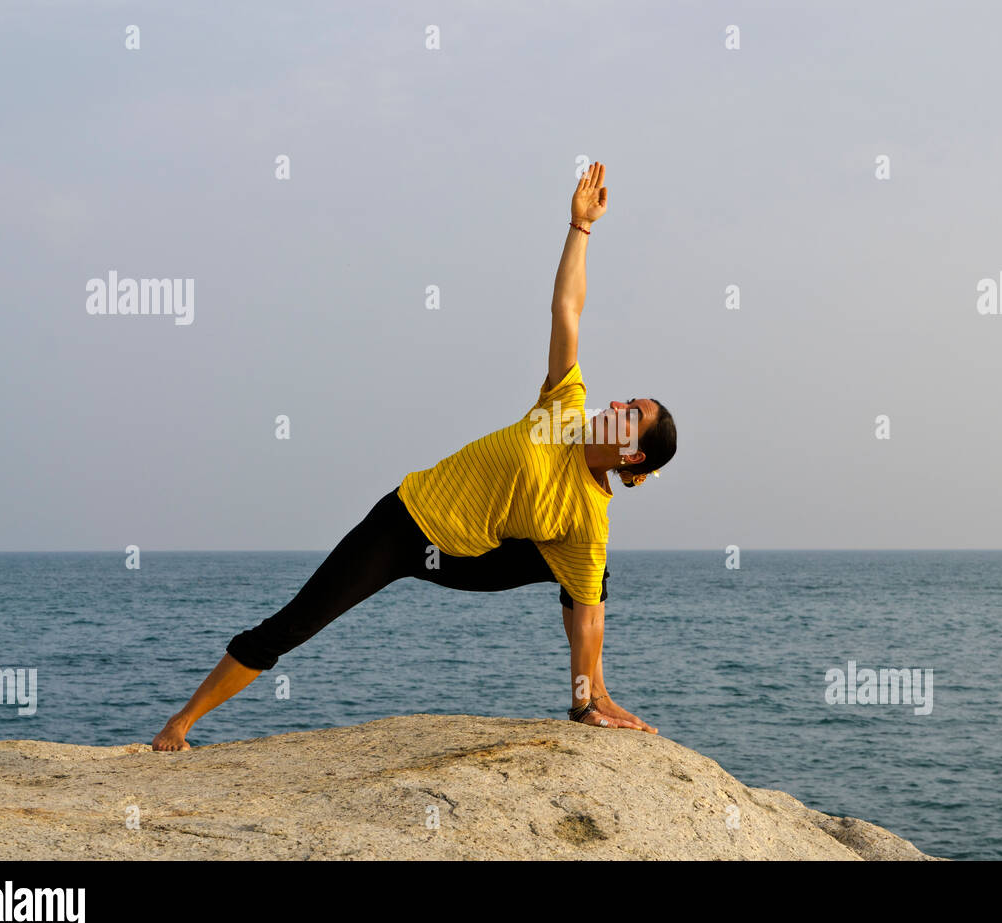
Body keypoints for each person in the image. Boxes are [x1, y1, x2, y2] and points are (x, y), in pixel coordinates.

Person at [151, 162, 676, 751]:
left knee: (590, 574)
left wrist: (590, 686)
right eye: (627, 399)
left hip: (466, 559)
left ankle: (589, 704)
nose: (615, 402)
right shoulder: (565, 409)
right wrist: (580, 228)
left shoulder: (588, 517)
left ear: (632, 457)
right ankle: (181, 723)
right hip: (406, 524)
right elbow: (567, 310)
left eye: (631, 412)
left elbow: (588, 618)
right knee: (297, 621)